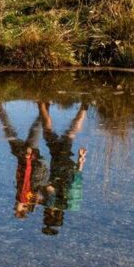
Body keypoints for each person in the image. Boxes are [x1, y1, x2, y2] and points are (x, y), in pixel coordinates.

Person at [38, 101, 88, 236]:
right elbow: (50, 188)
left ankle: (84, 109)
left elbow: (76, 182)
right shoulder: (51, 203)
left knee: (70, 135)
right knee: (48, 133)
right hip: (58, 163)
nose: (43, 217)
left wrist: (80, 161)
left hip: (68, 165)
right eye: (45, 219)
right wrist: (39, 194)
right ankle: (41, 103)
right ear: (50, 216)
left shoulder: (67, 204)